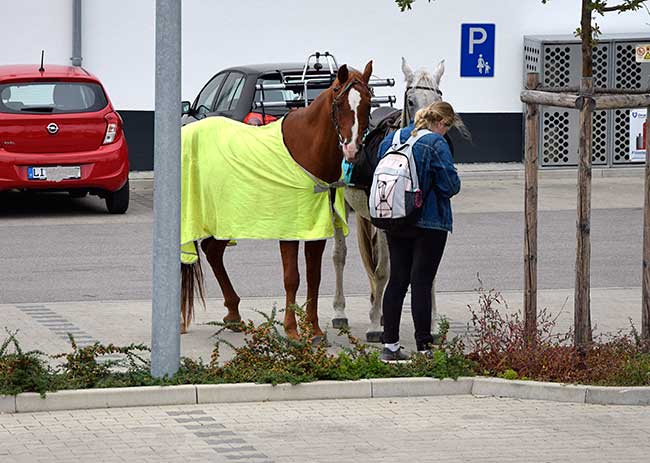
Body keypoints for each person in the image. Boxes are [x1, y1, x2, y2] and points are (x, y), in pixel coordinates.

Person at [378, 101, 462, 362]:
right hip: (430, 222)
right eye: (448, 128)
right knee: (422, 283)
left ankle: (390, 346)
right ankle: (424, 348)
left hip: (395, 218)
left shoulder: (392, 138)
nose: (446, 132)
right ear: (442, 123)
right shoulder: (436, 143)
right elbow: (450, 185)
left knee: (397, 281)